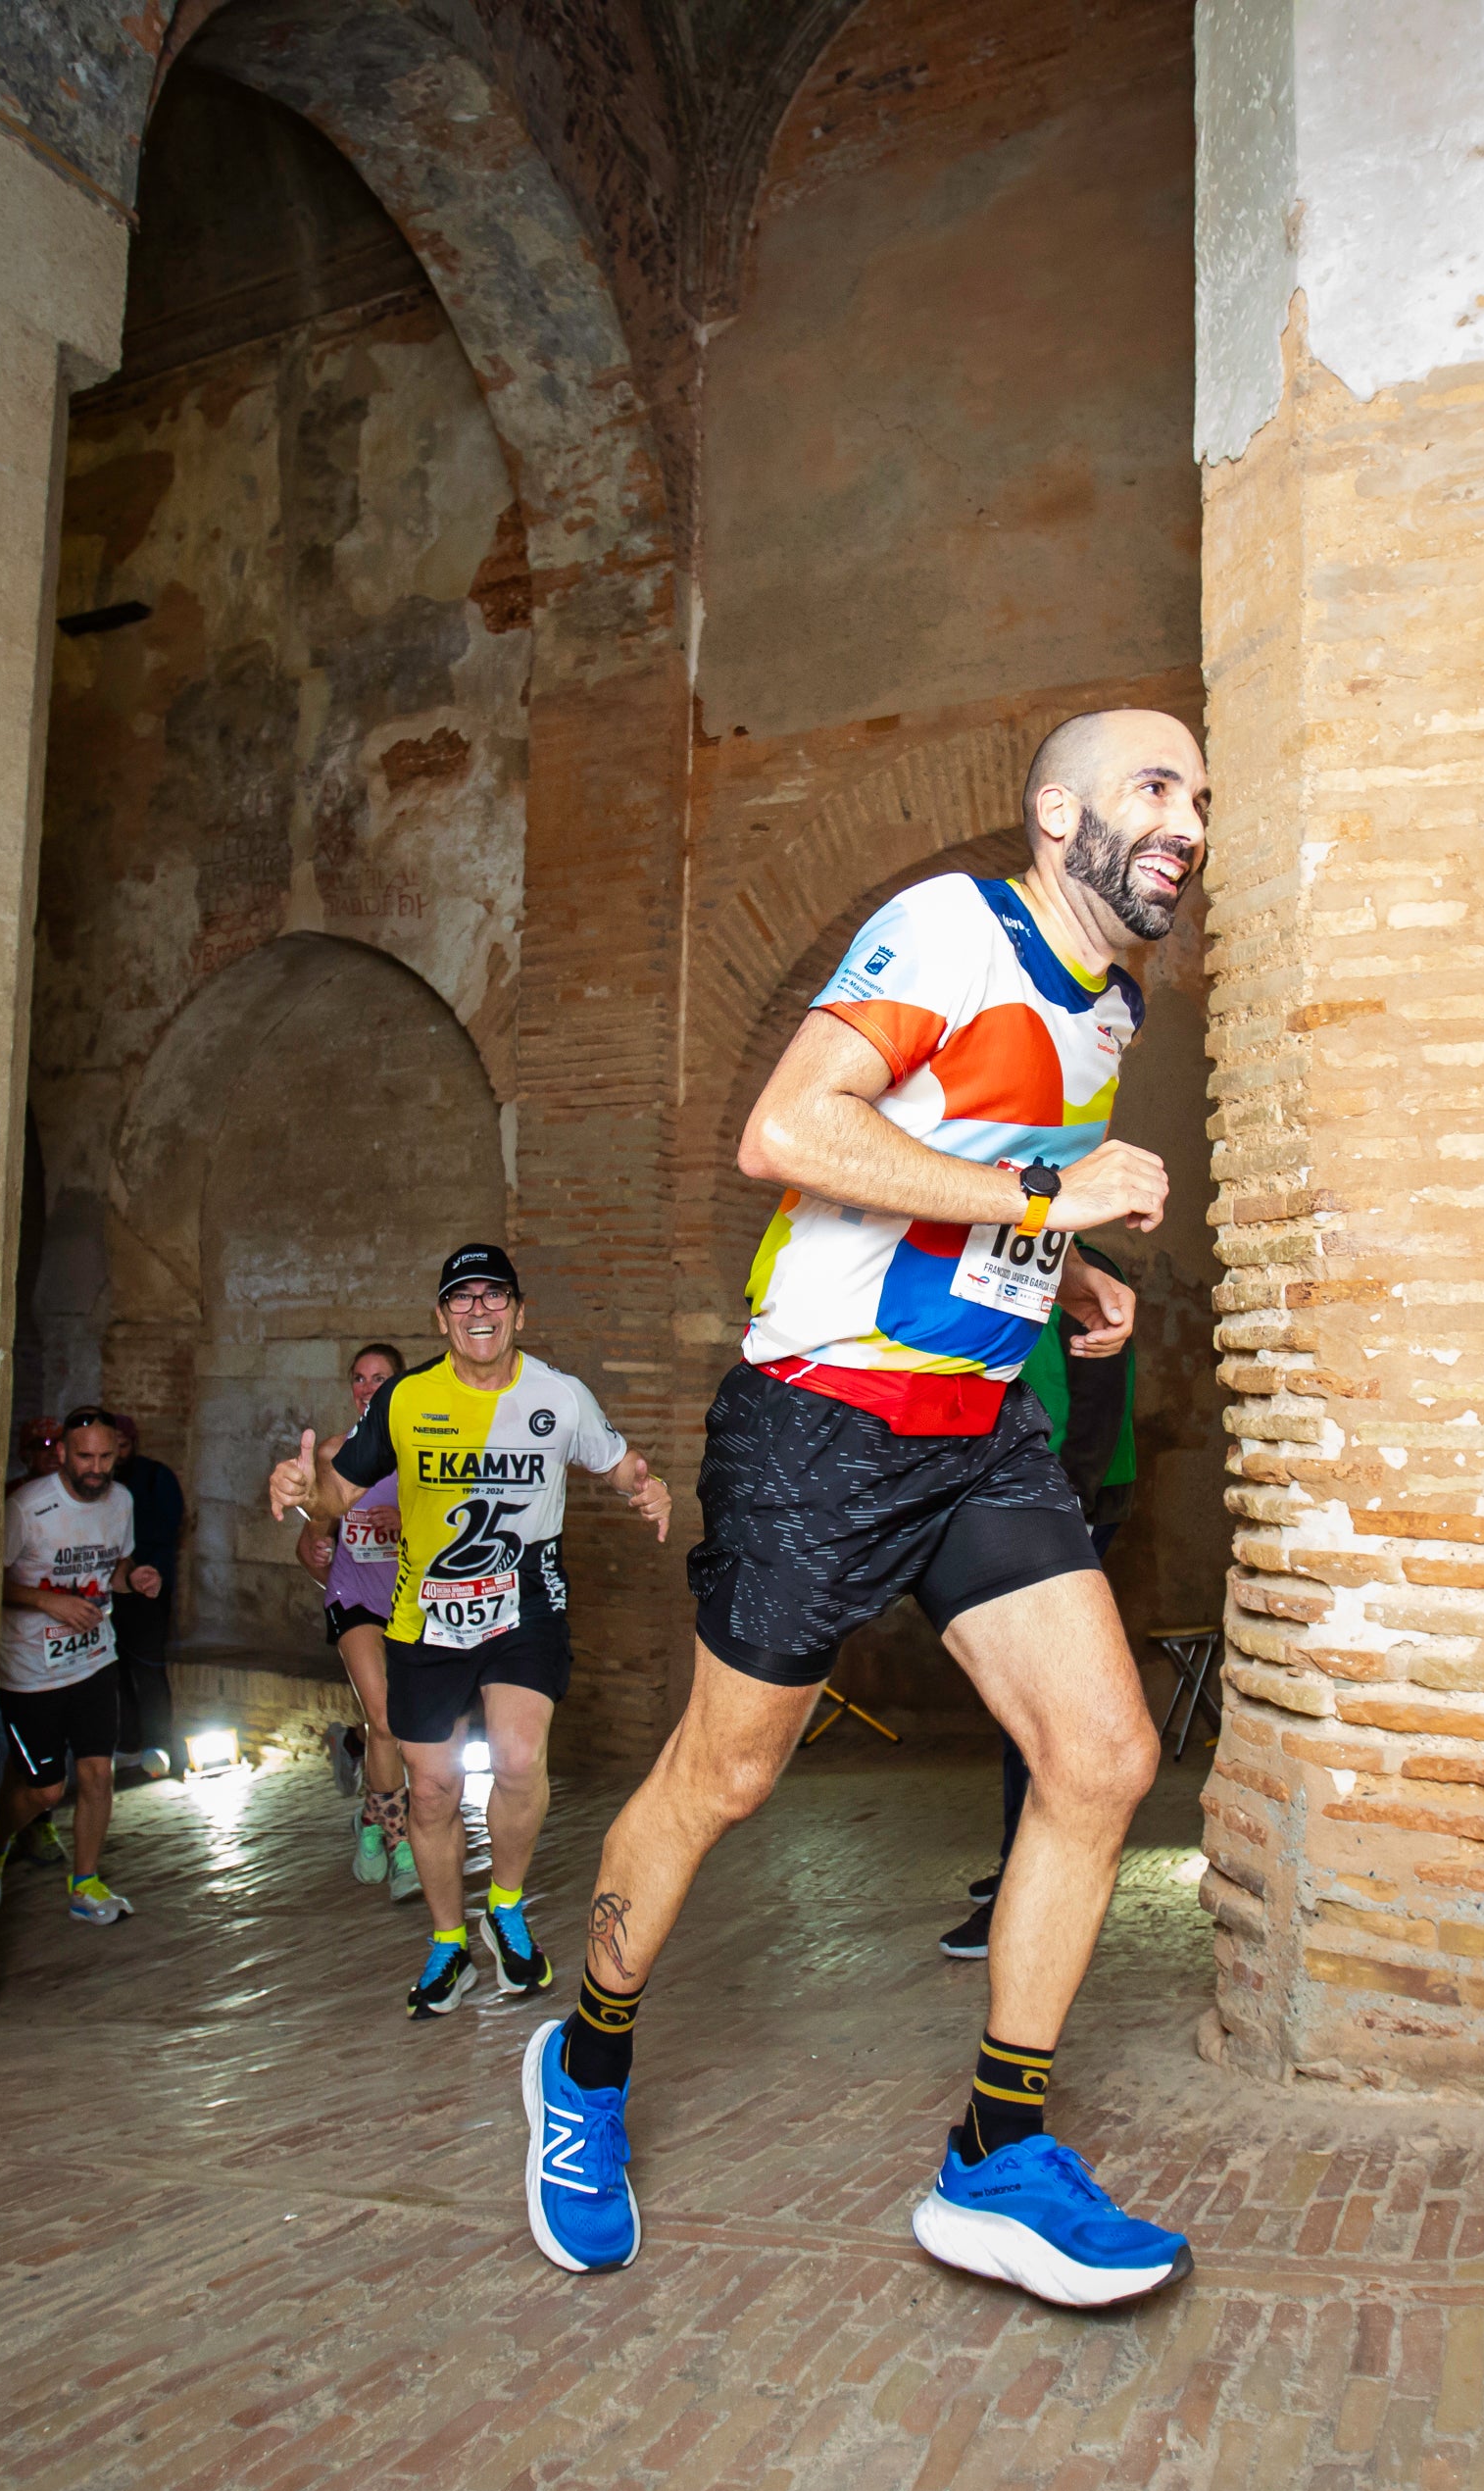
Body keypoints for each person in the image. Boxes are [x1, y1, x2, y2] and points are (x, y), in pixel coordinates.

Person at [519, 708, 1204, 2307]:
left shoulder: (1115, 992)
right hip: (822, 1422)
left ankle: (997, 2159)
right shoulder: (951, 928)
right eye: (1151, 789)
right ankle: (586, 2065)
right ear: (1056, 813)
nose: (1184, 822)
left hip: (973, 1430)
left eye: (1199, 799)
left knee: (1101, 1754)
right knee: (727, 1774)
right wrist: (1052, 1198)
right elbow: (789, 1132)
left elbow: (963, 1163)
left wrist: (1063, 1268)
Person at [267, 1246, 672, 2018]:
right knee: (433, 1790)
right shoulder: (408, 1399)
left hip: (526, 1602)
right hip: (426, 1617)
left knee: (519, 1760)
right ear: (441, 1316)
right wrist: (302, 1490)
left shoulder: (559, 1394)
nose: (478, 1310)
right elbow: (335, 1498)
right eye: (462, 1299)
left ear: (520, 1311)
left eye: (494, 1297)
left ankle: (508, 1910)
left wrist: (647, 1489)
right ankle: (449, 1940)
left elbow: (619, 1463)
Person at [942, 1264, 1142, 1961]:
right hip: (1042, 1496)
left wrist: (1071, 1510)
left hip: (1064, 1499)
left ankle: (1017, 1901)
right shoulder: (1019, 1253)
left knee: (1043, 1710)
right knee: (1022, 1709)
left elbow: (1094, 1400)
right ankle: (1018, 1863)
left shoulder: (1068, 1268)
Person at [0, 1406, 161, 1924]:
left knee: (97, 1774)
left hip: (95, 1659)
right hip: (31, 1670)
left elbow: (115, 1568)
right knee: (45, 1789)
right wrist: (47, 1602)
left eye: (106, 1456)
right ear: (64, 1454)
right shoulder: (26, 1507)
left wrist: (134, 1580)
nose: (96, 1467)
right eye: (85, 1456)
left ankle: (84, 1883)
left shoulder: (121, 1501)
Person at [296, 1343, 420, 1890]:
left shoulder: (421, 1450)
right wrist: (320, 1555)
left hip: (412, 1605)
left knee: (410, 1729)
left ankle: (369, 1817)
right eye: (359, 1378)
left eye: (380, 1378)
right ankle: (400, 1845)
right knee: (385, 1720)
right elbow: (310, 1545)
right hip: (355, 1601)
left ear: (399, 1385)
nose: (368, 1387)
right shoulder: (332, 1453)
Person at [99, 1415, 186, 1779]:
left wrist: (142, 1572)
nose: (115, 1456)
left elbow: (168, 1527)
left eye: (120, 1446)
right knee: (115, 1669)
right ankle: (129, 1744)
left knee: (149, 1668)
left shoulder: (154, 1477)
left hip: (148, 1588)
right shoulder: (101, 1486)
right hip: (108, 1591)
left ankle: (158, 1744)